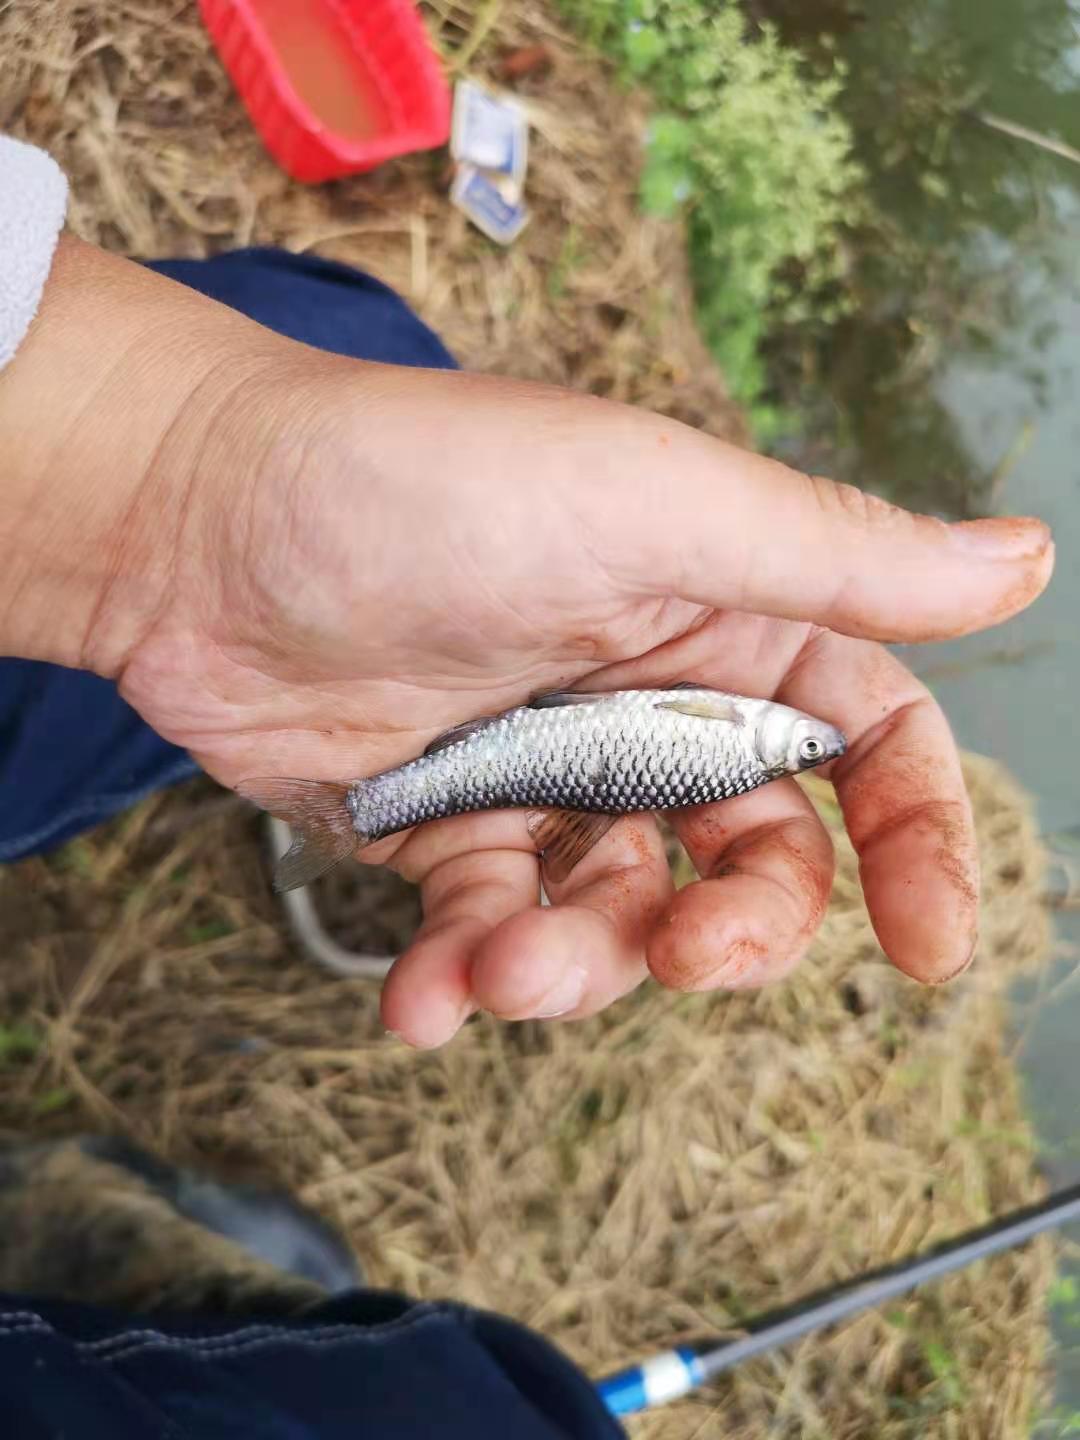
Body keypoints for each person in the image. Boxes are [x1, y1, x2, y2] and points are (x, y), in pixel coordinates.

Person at [0, 133, 1055, 1435]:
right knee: (356, 335)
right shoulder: (746, 725)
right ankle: (149, 1297)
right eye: (795, 740)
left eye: (799, 748)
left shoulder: (733, 729)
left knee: (345, 332)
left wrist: (180, 462)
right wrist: (186, 469)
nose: (800, 739)